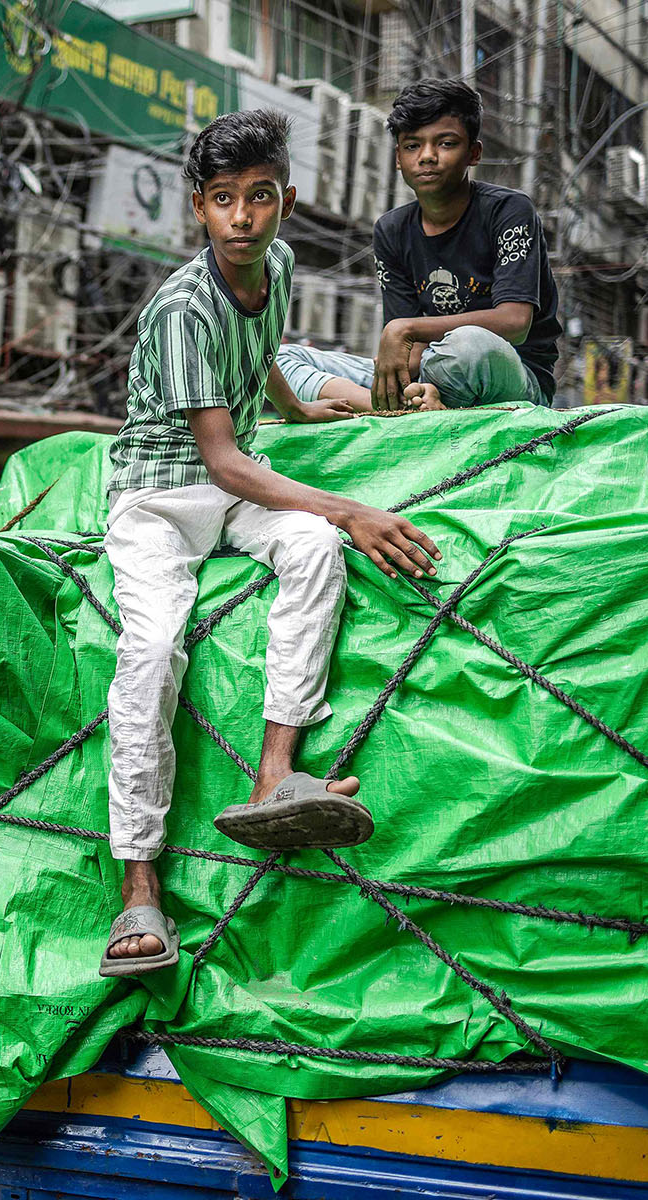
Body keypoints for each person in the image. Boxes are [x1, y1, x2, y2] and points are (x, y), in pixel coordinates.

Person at [99, 111, 441, 977]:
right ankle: (137, 887)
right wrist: (349, 506)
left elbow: (262, 355)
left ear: (285, 201)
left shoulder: (279, 263)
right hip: (159, 499)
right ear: (199, 210)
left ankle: (274, 778)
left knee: (316, 552)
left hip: (234, 486)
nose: (243, 218)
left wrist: (297, 411)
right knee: (152, 651)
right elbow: (220, 459)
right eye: (224, 201)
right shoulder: (181, 309)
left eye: (259, 198)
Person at [275, 79, 560, 413]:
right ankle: (392, 406)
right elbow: (407, 352)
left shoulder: (509, 211)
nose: (427, 157)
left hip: (512, 378)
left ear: (474, 153)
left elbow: (515, 322)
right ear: (398, 158)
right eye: (412, 146)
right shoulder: (391, 230)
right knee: (281, 360)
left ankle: (411, 406)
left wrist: (405, 329)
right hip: (431, 371)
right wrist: (398, 379)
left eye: (446, 143)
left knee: (467, 346)